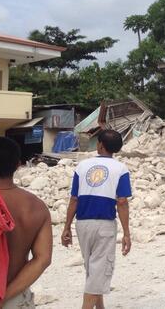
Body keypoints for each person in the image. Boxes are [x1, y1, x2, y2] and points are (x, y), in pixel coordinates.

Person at [61, 129, 132, 309]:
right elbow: (122, 202)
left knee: (93, 271)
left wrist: (67, 227)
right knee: (98, 271)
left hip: (82, 224)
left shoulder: (82, 166)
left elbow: (74, 199)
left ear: (100, 145)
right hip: (104, 225)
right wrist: (126, 233)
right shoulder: (121, 169)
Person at [0, 137, 52, 309]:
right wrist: (4, 297)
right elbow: (43, 259)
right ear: (17, 165)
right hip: (16, 300)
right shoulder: (37, 206)